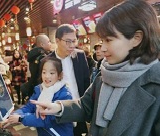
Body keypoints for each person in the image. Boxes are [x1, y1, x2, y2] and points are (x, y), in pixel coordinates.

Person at [31, 0, 160, 135]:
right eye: (102, 41)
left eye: (109, 40)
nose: (103, 49)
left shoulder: (155, 84)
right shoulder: (105, 74)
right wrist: (59, 107)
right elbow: (85, 106)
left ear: (136, 38)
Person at [0, 57, 73, 136]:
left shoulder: (64, 95)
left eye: (52, 73)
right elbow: (29, 107)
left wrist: (21, 118)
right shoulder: (39, 89)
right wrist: (12, 117)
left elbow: (46, 120)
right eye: (44, 72)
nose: (47, 76)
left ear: (60, 75)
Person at [46, 24, 90, 136]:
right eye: (68, 41)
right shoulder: (47, 61)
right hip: (58, 111)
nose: (72, 45)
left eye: (74, 41)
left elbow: (86, 82)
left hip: (78, 109)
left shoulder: (80, 56)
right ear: (57, 40)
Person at [21, 34, 51, 104]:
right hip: (42, 89)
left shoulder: (34, 56)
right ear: (42, 44)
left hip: (35, 87)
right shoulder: (43, 58)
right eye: (49, 42)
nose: (50, 44)